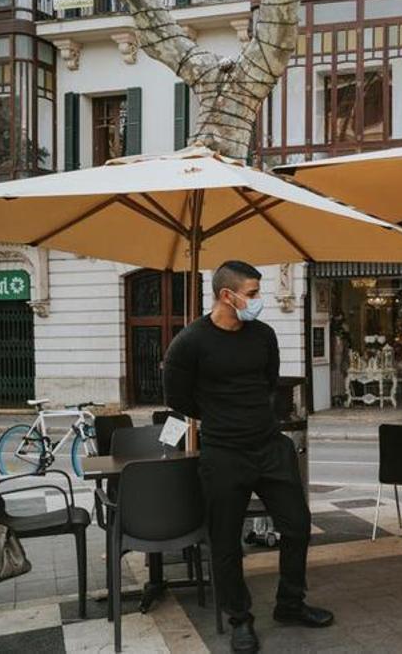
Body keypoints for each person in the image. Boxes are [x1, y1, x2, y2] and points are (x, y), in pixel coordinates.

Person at [164, 261, 332, 653]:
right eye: (253, 294)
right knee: (225, 541)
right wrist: (222, 417)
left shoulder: (263, 335)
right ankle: (240, 618)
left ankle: (290, 603)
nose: (259, 301)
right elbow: (178, 398)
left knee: (297, 525)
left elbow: (269, 382)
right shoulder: (189, 342)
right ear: (228, 295)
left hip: (270, 446)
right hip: (223, 453)